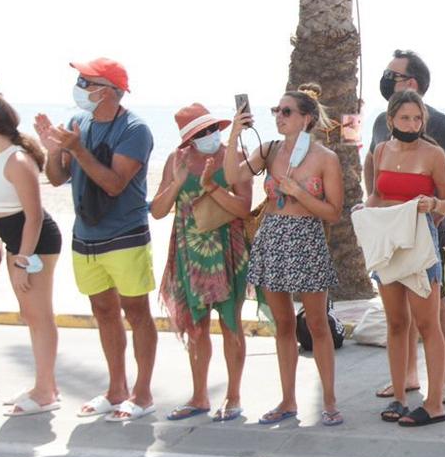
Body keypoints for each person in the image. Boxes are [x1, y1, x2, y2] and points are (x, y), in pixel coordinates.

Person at [36, 58, 160, 423]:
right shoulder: (80, 125)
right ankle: (116, 388)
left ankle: (143, 392)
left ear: (108, 90)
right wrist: (52, 149)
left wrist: (76, 149)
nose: (79, 87)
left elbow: (114, 183)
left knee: (136, 312)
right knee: (103, 312)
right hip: (86, 236)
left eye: (85, 81)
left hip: (125, 235)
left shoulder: (135, 130)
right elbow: (58, 178)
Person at [224, 84, 346, 427]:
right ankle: (287, 400)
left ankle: (330, 400)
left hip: (305, 238)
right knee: (283, 326)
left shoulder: (325, 158)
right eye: (276, 111)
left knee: (318, 323)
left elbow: (334, 212)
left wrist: (298, 193)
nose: (279, 117)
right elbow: (233, 176)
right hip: (273, 237)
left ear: (306, 118)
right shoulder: (269, 150)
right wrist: (235, 134)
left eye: (286, 112)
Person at [367, 50, 445, 402]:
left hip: (430, 234)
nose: (385, 78)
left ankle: (442, 381)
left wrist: (444, 208)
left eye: (392, 74)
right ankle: (409, 376)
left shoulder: (437, 122)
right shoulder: (381, 123)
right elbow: (373, 170)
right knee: (400, 312)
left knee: (437, 303)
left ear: (411, 82)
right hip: (391, 236)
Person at [150, 103, 249, 423]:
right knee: (196, 326)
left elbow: (244, 208)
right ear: (187, 139)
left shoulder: (233, 157)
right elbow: (158, 210)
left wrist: (213, 187)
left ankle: (233, 396)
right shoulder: (176, 161)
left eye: (211, 129)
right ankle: (199, 396)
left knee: (231, 324)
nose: (208, 136)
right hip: (189, 251)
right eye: (199, 133)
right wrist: (177, 183)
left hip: (227, 250)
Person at [0, 95, 61, 416]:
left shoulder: (18, 161)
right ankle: (44, 384)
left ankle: (45, 391)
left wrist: (21, 260)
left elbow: (33, 216)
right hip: (11, 239)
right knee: (28, 313)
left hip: (34, 241)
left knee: (39, 315)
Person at [363, 90, 445, 427]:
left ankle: (434, 403)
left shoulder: (434, 155)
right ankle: (400, 396)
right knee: (397, 323)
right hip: (387, 242)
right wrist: (366, 212)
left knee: (428, 323)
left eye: (417, 118)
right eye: (405, 118)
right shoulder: (382, 150)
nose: (412, 124)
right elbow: (378, 193)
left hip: (419, 243)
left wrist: (432, 206)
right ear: (391, 120)